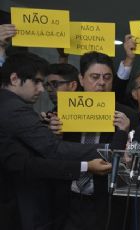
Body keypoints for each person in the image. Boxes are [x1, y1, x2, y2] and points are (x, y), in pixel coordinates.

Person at [0, 52, 123, 230]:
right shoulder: (15, 109)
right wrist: (109, 150)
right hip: (21, 200)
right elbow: (51, 150)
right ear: (14, 79)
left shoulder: (11, 106)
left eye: (106, 77)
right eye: (37, 81)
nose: (42, 89)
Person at [45, 51, 140, 230]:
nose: (101, 83)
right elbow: (51, 155)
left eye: (107, 77)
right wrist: (54, 134)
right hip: (67, 199)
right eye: (95, 77)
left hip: (107, 202)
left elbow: (132, 165)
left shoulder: (129, 116)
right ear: (81, 79)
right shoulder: (63, 110)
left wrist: (125, 132)